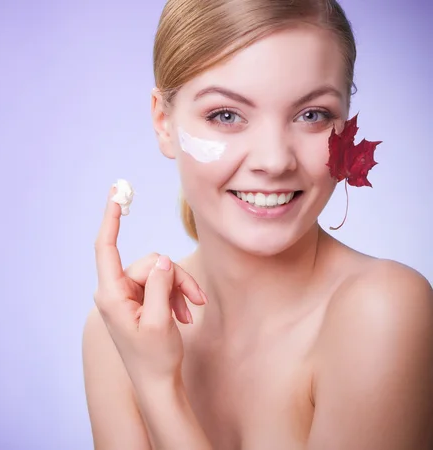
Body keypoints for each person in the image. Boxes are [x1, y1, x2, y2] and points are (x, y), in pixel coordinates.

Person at [82, 0, 433, 448]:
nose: (273, 160)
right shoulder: (118, 331)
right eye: (226, 116)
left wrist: (157, 388)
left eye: (312, 115)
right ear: (163, 122)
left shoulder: (383, 312)